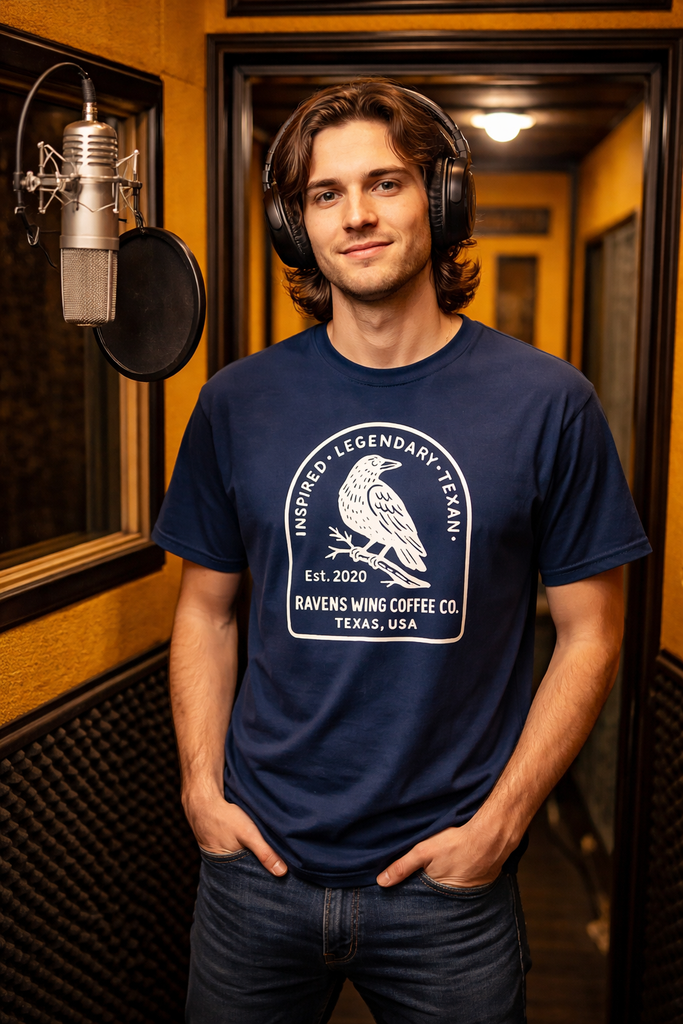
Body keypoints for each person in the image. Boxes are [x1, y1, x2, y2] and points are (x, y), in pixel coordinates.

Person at [152, 78, 651, 1024]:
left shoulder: (548, 403)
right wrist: (201, 793)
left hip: (448, 890)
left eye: (384, 183)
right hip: (254, 871)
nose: (356, 215)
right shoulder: (235, 403)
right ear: (297, 225)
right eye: (325, 194)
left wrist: (499, 828)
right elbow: (205, 611)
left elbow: (591, 633)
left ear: (442, 199)